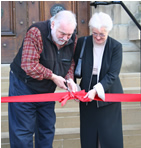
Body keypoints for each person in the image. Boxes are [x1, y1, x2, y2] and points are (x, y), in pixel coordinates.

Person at [8, 10, 78, 148]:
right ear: (52, 25)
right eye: (62, 34)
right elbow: (29, 65)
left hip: (46, 90)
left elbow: (70, 62)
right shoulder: (36, 32)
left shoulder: (72, 38)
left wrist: (69, 79)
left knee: (47, 128)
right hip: (24, 85)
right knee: (22, 131)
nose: (65, 39)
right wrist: (52, 76)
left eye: (69, 34)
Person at [74, 12, 124, 148]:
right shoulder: (83, 42)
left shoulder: (116, 47)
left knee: (109, 136)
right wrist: (74, 85)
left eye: (102, 34)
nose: (97, 37)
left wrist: (96, 90)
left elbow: (113, 74)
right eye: (95, 33)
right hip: (87, 94)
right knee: (89, 135)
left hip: (108, 94)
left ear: (108, 31)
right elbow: (73, 65)